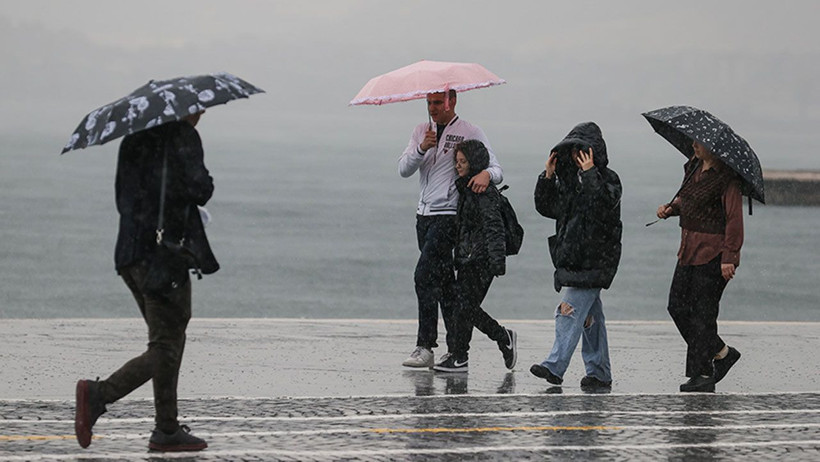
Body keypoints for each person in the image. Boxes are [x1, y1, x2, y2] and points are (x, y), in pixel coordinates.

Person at [74, 112, 218, 452]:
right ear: (182, 109)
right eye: (198, 108)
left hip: (129, 253)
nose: (201, 113)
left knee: (167, 338)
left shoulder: (134, 138)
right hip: (163, 257)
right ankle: (99, 394)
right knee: (167, 344)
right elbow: (200, 188)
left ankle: (166, 429)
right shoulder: (181, 136)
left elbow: (123, 198)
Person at [398, 90, 503, 368]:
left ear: (452, 101)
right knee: (446, 287)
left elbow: (497, 168)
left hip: (448, 217)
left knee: (423, 276)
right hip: (423, 216)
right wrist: (421, 149)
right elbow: (403, 169)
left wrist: (486, 174)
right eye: (429, 103)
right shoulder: (421, 131)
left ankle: (425, 346)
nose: (432, 108)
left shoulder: (470, 131)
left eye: (438, 103)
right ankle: (460, 352)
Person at [530, 122, 622, 391]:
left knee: (567, 311)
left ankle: (554, 365)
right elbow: (547, 208)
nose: (576, 156)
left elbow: (603, 205)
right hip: (572, 258)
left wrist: (590, 173)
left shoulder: (609, 179)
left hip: (596, 258)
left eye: (582, 150)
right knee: (591, 320)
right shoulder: (568, 182)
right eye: (572, 151)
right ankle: (599, 372)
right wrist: (547, 178)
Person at [656, 140, 743, 393]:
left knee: (703, 314)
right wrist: (671, 208)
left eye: (700, 142)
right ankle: (722, 353)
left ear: (714, 147)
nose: (694, 145)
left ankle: (702, 374)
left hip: (714, 253)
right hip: (688, 249)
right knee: (677, 306)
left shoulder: (727, 178)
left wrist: (729, 257)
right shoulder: (692, 167)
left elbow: (734, 219)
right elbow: (688, 200)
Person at [432, 139, 517, 373]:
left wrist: (497, 261)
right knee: (463, 308)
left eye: (463, 161)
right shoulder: (467, 188)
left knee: (465, 307)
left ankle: (500, 338)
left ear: (474, 162)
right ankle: (460, 356)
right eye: (457, 161)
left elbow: (494, 227)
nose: (457, 166)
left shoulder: (482, 191)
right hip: (468, 258)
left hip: (481, 260)